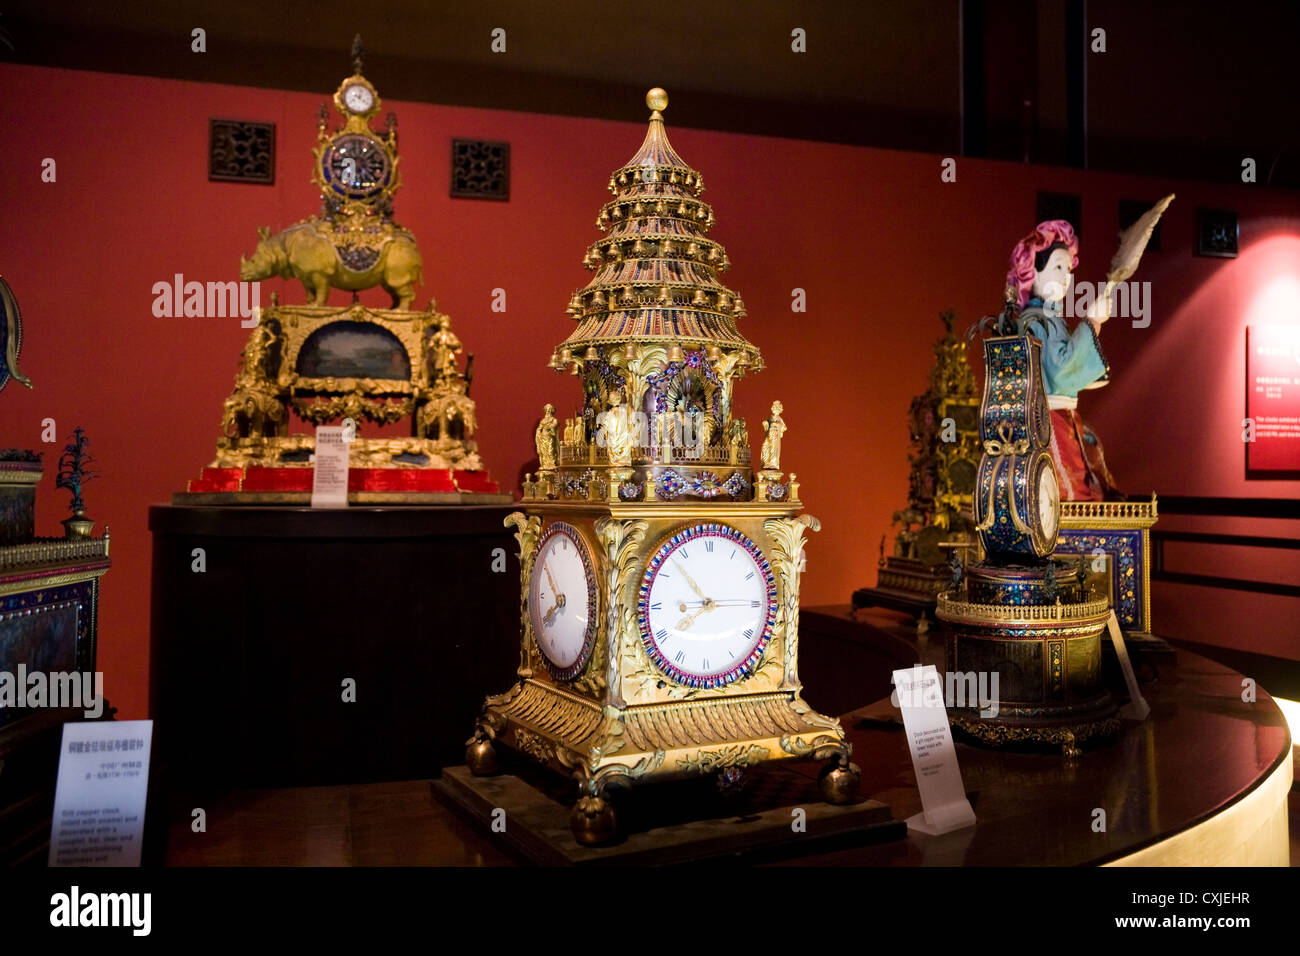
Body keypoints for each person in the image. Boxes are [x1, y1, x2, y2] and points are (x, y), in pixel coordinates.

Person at [1005, 220, 1118, 501]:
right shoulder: (1039, 321)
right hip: (1051, 421)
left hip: (1061, 417)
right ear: (1032, 273)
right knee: (1071, 492)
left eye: (1068, 269)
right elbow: (1063, 371)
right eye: (1057, 267)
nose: (1066, 276)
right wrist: (1092, 321)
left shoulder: (1047, 319)